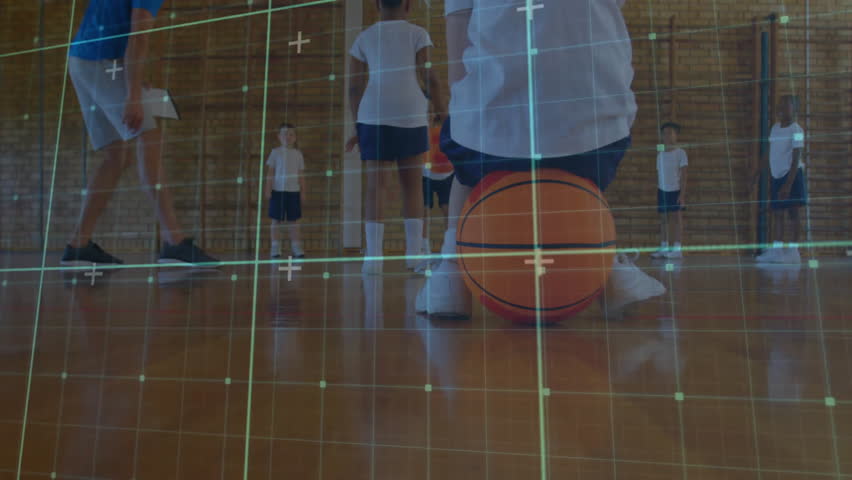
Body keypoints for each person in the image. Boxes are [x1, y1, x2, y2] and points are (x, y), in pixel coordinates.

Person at [416, 0, 665, 317]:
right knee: (582, 169)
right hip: (598, 128)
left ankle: (450, 273)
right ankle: (608, 266)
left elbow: (458, 49)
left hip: (493, 139)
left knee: (464, 166)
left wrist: (469, 108)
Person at [61, 0, 218, 267]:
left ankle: (78, 245)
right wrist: (132, 93)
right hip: (100, 62)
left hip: (82, 61)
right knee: (149, 138)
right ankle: (174, 242)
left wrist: (130, 79)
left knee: (116, 156)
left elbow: (113, 24)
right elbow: (138, 36)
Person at [345, 0, 445, 275]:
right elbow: (431, 77)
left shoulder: (363, 37)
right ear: (408, 5)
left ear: (377, 5)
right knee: (412, 187)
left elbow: (354, 87)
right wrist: (442, 112)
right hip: (410, 112)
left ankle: (373, 259)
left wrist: (358, 126)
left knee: (376, 188)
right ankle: (414, 256)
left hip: (372, 115)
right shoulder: (417, 33)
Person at [754, 95, 807, 264]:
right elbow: (769, 151)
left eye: (786, 106)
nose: (781, 109)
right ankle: (777, 251)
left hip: (792, 176)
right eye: (780, 105)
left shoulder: (797, 130)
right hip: (777, 177)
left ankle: (793, 251)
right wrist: (757, 173)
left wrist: (788, 183)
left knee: (793, 212)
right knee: (777, 213)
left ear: (795, 110)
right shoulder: (775, 128)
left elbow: (796, 156)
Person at [417, 116, 455, 270]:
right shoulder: (422, 127)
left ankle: (448, 249)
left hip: (447, 173)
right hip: (426, 174)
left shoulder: (449, 125)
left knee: (448, 211)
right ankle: (424, 250)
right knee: (424, 211)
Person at [264, 123, 306, 259]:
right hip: (278, 191)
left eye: (291, 134)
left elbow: (301, 175)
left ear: (295, 137)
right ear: (279, 137)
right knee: (276, 220)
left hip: (293, 191)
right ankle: (275, 247)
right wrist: (267, 189)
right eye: (284, 134)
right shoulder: (275, 153)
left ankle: (296, 247)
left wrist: (303, 191)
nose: (288, 137)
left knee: (294, 221)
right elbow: (270, 172)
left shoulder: (298, 154)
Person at [651, 122, 688, 259]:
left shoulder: (681, 153)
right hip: (662, 190)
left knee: (677, 219)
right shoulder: (660, 152)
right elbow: (658, 172)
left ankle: (677, 249)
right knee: (663, 219)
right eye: (664, 133)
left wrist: (682, 195)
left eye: (670, 133)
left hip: (675, 190)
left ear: (676, 135)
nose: (666, 135)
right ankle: (664, 247)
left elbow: (684, 175)